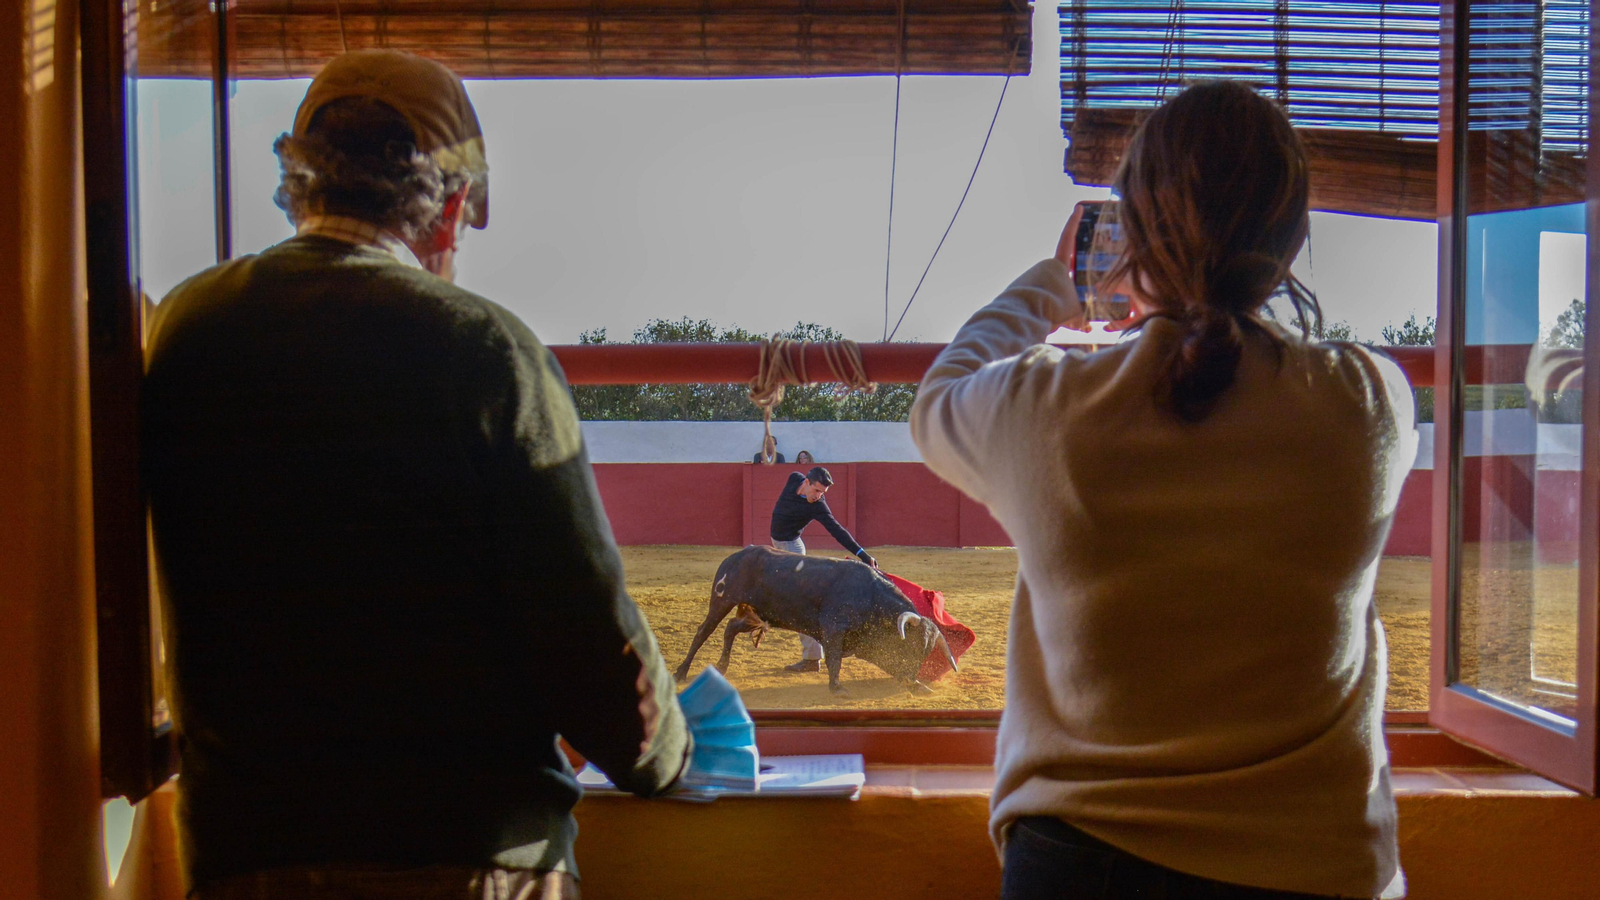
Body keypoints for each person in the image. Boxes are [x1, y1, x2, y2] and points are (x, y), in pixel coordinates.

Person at [142, 49, 690, 900]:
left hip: (245, 857)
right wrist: (665, 756)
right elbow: (594, 651)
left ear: (298, 185)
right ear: (451, 210)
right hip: (467, 855)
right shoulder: (486, 351)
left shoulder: (186, 325)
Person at [911, 80, 1412, 900]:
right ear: (1291, 240)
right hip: (1319, 865)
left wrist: (1057, 282)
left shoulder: (1048, 407)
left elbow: (938, 397)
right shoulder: (1370, 401)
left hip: (1082, 864)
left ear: (1128, 237)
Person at [769, 465, 877, 673]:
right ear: (806, 482)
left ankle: (812, 658)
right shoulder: (793, 478)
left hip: (792, 549)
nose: (818, 496)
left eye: (823, 493)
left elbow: (837, 530)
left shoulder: (818, 506)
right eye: (816, 490)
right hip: (777, 546)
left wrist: (862, 554)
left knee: (799, 603)